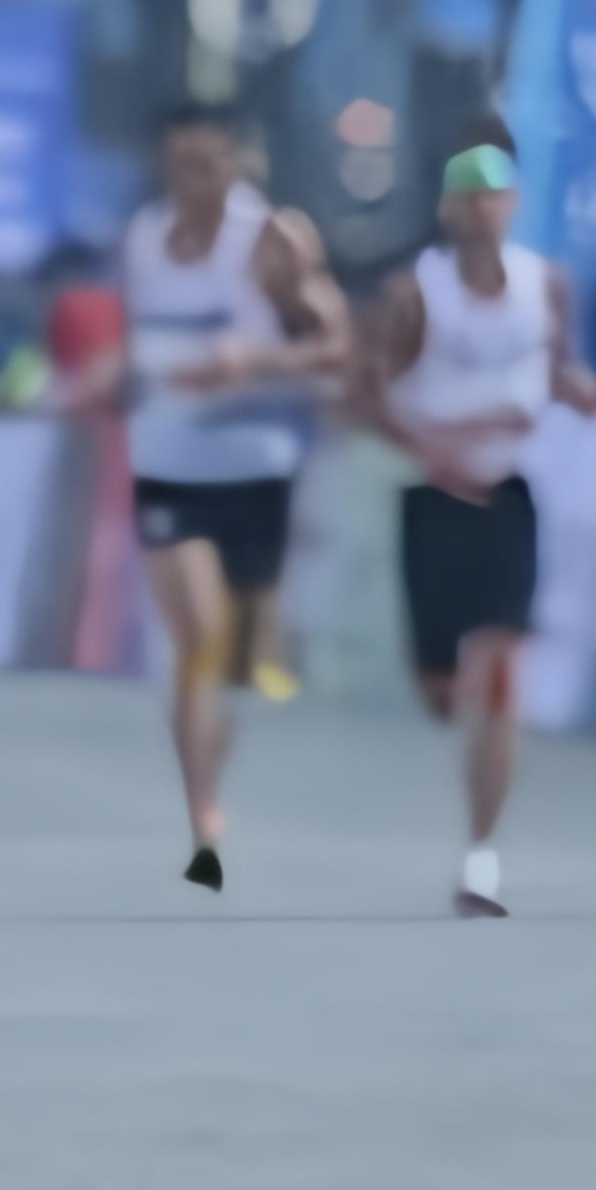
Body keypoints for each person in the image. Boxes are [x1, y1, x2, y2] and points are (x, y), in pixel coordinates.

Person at [99, 105, 348, 889]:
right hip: (167, 464)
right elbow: (138, 342)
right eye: (179, 165)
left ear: (237, 166)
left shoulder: (272, 240)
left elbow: (335, 346)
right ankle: (201, 813)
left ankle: (211, 769)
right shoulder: (143, 238)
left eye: (207, 165)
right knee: (196, 637)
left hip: (254, 467)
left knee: (235, 664)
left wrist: (254, 362)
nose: (192, 181)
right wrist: (113, 376)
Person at [358, 139, 596, 915]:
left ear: (513, 204)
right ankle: (438, 686)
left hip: (508, 496)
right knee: (442, 688)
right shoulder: (415, 293)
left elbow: (557, 367)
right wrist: (431, 448)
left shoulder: (545, 284)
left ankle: (481, 858)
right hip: (436, 502)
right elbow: (366, 394)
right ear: (447, 208)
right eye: (469, 197)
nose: (483, 211)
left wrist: (577, 390)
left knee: (500, 674)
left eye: (495, 197)